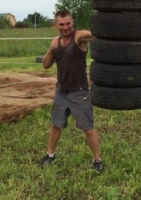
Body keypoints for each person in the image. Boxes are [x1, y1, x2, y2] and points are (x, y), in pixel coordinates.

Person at [38, 9, 103, 174]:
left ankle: (97, 160)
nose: (65, 27)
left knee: (88, 128)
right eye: (61, 24)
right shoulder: (55, 42)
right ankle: (50, 155)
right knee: (55, 125)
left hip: (79, 92)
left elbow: (94, 35)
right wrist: (50, 50)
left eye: (68, 23)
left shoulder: (78, 37)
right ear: (55, 25)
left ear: (72, 22)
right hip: (61, 91)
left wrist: (107, 29)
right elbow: (45, 65)